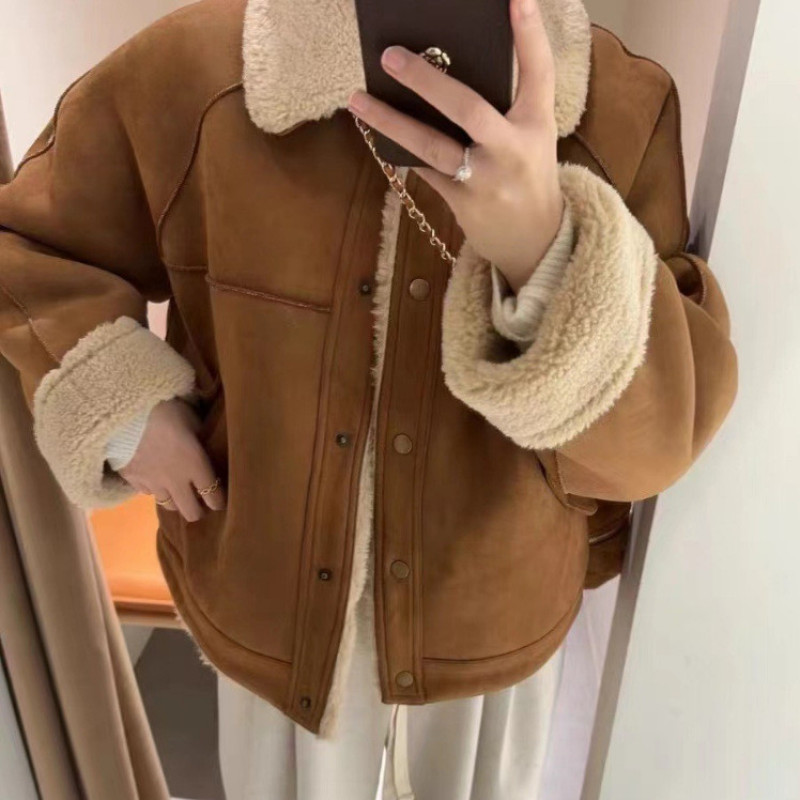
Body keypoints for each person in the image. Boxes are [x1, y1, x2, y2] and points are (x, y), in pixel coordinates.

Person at [0, 0, 738, 797]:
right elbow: (29, 245)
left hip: (491, 620)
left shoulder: (619, 107)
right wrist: (124, 413)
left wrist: (546, 248)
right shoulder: (196, 72)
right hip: (271, 606)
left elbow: (656, 442)